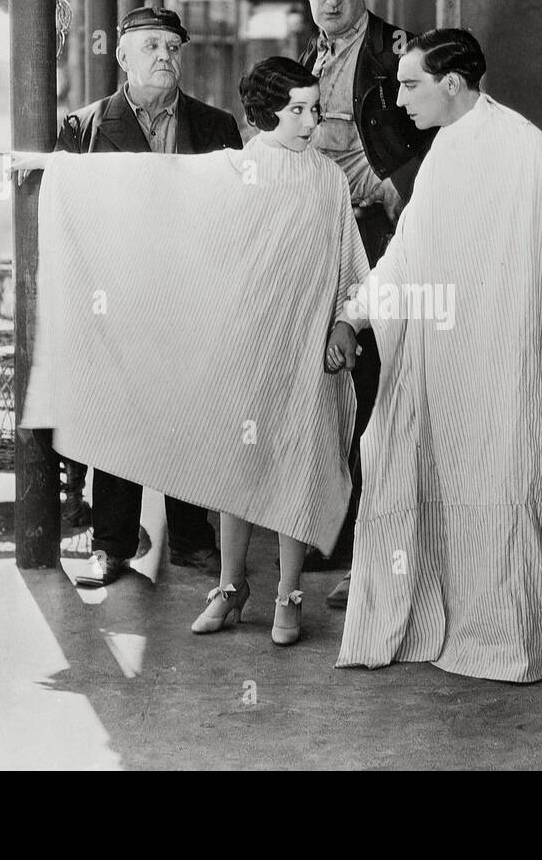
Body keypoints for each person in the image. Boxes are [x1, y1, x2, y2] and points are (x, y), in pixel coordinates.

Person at [327, 28, 542, 682]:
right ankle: (449, 623)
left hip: (508, 354)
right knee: (433, 470)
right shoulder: (448, 151)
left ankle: (515, 640)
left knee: (507, 478)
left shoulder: (521, 146)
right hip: (449, 355)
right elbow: (407, 259)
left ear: (452, 84)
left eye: (411, 85)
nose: (400, 100)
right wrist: (354, 315)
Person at [53, 5, 242, 586]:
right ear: (124, 56)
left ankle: (189, 536)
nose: (165, 56)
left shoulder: (215, 128)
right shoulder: (84, 129)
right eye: (152, 46)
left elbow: (234, 216)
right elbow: (69, 221)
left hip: (191, 296)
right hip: (119, 298)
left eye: (173, 47)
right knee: (120, 416)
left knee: (190, 413)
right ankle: (112, 543)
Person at [187, 56, 369, 645]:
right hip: (248, 346)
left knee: (300, 463)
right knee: (239, 466)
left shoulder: (331, 180)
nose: (310, 121)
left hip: (310, 352)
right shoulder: (236, 170)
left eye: (314, 108)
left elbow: (352, 270)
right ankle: (231, 583)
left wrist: (345, 325)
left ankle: (290, 591)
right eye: (296, 110)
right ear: (265, 113)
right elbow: (207, 254)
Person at [297, 0, 435, 609]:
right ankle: (348, 538)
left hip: (384, 240)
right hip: (328, 242)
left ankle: (381, 559)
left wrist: (388, 184)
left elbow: (441, 135)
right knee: (340, 384)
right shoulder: (308, 57)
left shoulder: (401, 52)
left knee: (382, 391)